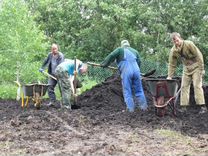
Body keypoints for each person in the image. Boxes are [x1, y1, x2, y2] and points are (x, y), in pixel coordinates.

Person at [101, 40, 147, 112]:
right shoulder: (135, 51)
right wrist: (136, 71)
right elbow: (139, 61)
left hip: (127, 71)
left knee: (127, 91)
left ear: (122, 45)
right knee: (139, 90)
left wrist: (104, 64)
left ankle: (130, 110)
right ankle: (143, 108)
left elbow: (112, 55)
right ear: (128, 45)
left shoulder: (119, 50)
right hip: (137, 71)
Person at [167, 32, 207, 113]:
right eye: (174, 41)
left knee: (197, 85)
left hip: (196, 67)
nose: (176, 43)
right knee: (184, 86)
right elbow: (172, 64)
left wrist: (202, 69)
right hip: (186, 69)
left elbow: (199, 55)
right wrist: (169, 76)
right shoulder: (173, 50)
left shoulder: (189, 44)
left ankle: (202, 107)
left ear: (180, 38)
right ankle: (184, 107)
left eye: (177, 40)